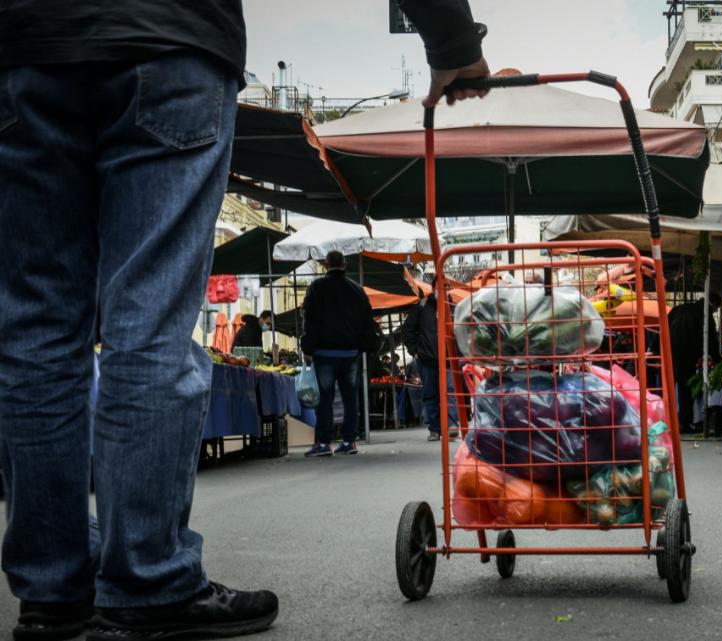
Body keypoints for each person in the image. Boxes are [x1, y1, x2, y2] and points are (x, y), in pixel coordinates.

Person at [0, 1, 491, 638]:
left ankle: (50, 593)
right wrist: (451, 39)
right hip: (167, 40)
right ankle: (146, 581)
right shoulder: (348, 292)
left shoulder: (326, 296)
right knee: (148, 323)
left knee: (37, 329)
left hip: (24, 46)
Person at [301, 251, 378, 457]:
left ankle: (324, 443)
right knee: (350, 396)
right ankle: (349, 440)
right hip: (350, 353)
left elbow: (310, 319)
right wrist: (362, 346)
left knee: (325, 398)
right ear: (344, 265)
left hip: (324, 352)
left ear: (326, 265)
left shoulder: (317, 287)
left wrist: (308, 347)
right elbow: (367, 320)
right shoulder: (357, 289)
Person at [667, 297, 721, 433]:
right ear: (714, 305)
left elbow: (662, 326)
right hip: (687, 355)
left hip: (670, 353)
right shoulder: (705, 314)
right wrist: (719, 360)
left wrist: (655, 349)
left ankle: (668, 420)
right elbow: (712, 339)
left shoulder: (678, 309)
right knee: (685, 390)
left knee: (669, 388)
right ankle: (685, 423)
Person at [403, 290, 449, 440]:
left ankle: (450, 427)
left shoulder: (451, 305)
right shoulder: (421, 306)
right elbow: (408, 329)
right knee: (430, 395)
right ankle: (435, 429)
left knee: (450, 394)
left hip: (448, 360)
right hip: (427, 358)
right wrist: (414, 351)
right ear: (434, 288)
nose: (442, 291)